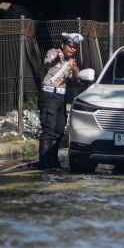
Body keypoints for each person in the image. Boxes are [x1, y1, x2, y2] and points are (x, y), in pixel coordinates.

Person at [38, 32, 83, 169]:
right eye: (70, 46)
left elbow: (74, 80)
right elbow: (47, 63)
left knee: (59, 130)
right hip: (49, 96)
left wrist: (74, 70)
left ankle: (54, 161)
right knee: (49, 129)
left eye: (74, 47)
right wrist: (58, 58)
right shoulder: (53, 52)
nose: (72, 49)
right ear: (63, 45)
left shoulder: (71, 61)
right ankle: (44, 162)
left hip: (61, 98)